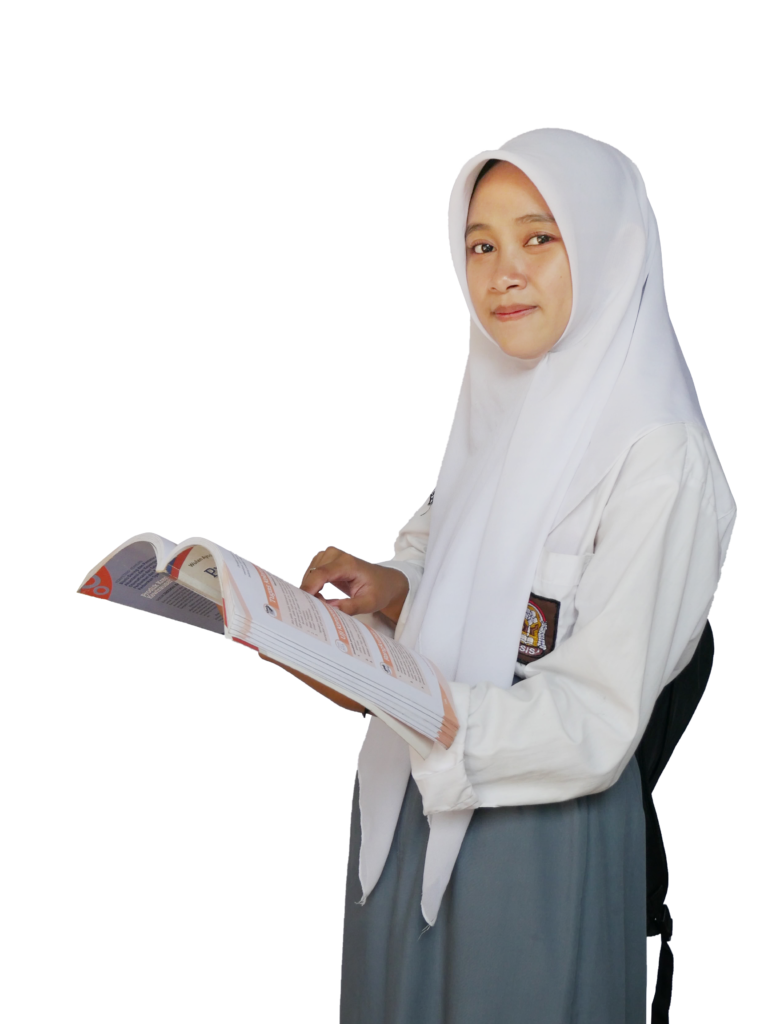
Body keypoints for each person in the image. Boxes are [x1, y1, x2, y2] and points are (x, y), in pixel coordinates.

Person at [259, 129, 736, 1022]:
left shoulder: (660, 460)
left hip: (537, 844)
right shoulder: (502, 401)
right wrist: (389, 589)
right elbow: (445, 551)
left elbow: (596, 717)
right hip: (409, 816)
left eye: (539, 237)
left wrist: (419, 706)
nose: (504, 273)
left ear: (607, 245)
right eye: (481, 246)